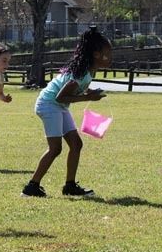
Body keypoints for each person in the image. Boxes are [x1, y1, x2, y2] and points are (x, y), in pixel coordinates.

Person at [22, 26, 112, 198]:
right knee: (55, 148)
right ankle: (31, 187)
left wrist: (90, 92)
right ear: (96, 54)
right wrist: (88, 98)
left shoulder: (88, 70)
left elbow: (74, 90)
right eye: (107, 54)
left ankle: (70, 186)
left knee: (76, 144)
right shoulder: (81, 72)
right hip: (49, 105)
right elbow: (60, 97)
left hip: (58, 106)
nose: (110, 58)